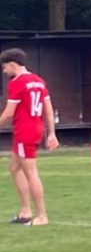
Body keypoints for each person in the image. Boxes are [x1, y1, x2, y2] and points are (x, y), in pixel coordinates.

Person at [0, 48, 59, 226]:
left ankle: (42, 215)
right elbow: (48, 107)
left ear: (12, 65)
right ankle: (26, 211)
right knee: (14, 168)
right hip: (35, 128)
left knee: (30, 172)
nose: (4, 72)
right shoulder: (38, 81)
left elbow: (10, 112)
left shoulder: (17, 83)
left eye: (4, 68)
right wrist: (51, 133)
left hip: (24, 131)